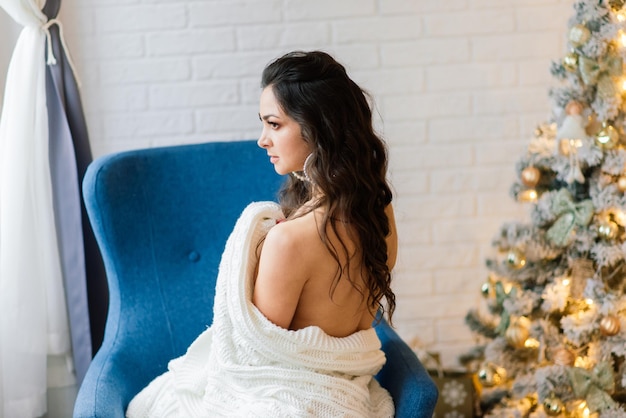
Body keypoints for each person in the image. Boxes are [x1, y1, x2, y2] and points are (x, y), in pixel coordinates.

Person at [126, 50, 397, 418]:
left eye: (274, 124)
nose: (262, 140)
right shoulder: (379, 211)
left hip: (288, 397)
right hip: (348, 392)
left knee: (152, 405)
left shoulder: (289, 240)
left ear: (319, 127)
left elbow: (255, 359)